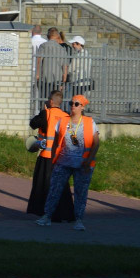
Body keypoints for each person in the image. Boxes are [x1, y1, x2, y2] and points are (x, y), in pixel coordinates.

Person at [37, 94, 100, 230]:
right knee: (54, 189)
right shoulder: (63, 121)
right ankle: (47, 216)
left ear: (82, 107)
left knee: (80, 193)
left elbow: (96, 143)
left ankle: (78, 220)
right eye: (71, 103)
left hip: (82, 165)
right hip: (63, 162)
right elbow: (55, 142)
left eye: (76, 104)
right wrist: (53, 160)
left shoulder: (90, 122)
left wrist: (89, 161)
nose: (73, 106)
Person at [26, 90, 75, 221]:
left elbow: (33, 124)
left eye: (48, 100)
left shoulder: (46, 113)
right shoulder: (66, 116)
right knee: (63, 186)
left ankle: (47, 213)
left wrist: (42, 111)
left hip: (47, 156)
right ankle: (66, 214)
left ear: (51, 101)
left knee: (44, 186)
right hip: (62, 157)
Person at [35, 27, 68, 111]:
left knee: (44, 98)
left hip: (45, 78)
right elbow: (65, 65)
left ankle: (45, 113)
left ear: (47, 36)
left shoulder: (43, 46)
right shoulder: (61, 49)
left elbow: (39, 60)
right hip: (57, 78)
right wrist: (64, 77)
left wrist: (37, 74)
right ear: (57, 36)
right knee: (56, 98)